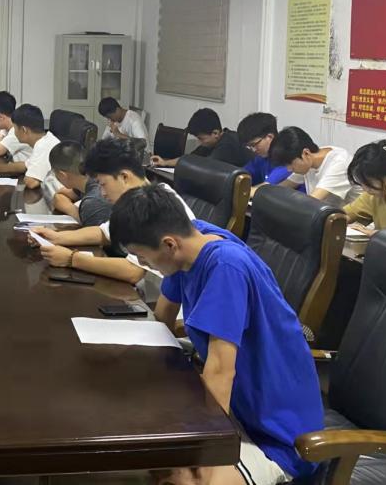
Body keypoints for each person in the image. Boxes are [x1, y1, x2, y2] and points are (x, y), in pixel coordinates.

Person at [111, 185, 323, 485]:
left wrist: (206, 458)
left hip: (277, 435)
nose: (143, 264)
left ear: (169, 244)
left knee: (189, 480)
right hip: (235, 406)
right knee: (150, 450)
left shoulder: (225, 266)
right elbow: (163, 320)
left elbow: (221, 371)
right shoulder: (191, 242)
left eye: (142, 257)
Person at [32, 138, 194, 285]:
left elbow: (133, 271)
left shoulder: (155, 205)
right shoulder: (138, 200)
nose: (102, 193)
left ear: (124, 177)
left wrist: (71, 259)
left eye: (103, 184)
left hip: (160, 292)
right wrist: (55, 237)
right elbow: (103, 232)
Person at [0, 104, 60, 194]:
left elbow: (32, 182)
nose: (14, 133)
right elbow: (25, 165)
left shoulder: (43, 146)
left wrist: (27, 176)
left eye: (14, 129)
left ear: (24, 130)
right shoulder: (46, 139)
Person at [268, 127, 352, 205]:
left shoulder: (339, 163)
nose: (289, 169)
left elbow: (310, 203)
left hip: (348, 215)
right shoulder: (310, 160)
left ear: (306, 153)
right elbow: (285, 186)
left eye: (290, 164)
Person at [153, 108, 250, 168]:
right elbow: (189, 159)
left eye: (201, 139)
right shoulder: (211, 142)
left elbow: (204, 167)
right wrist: (164, 163)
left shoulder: (228, 143)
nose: (200, 143)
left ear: (215, 133)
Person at [48, 141, 113, 223]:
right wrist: (75, 211)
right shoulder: (88, 178)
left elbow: (93, 232)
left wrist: (76, 213)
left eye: (54, 173)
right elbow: (59, 196)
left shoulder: (94, 201)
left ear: (62, 175)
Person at [236, 112, 299, 192]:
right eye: (249, 146)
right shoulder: (261, 158)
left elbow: (266, 188)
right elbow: (240, 175)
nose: (253, 150)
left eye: (254, 144)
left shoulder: (287, 159)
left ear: (270, 136)